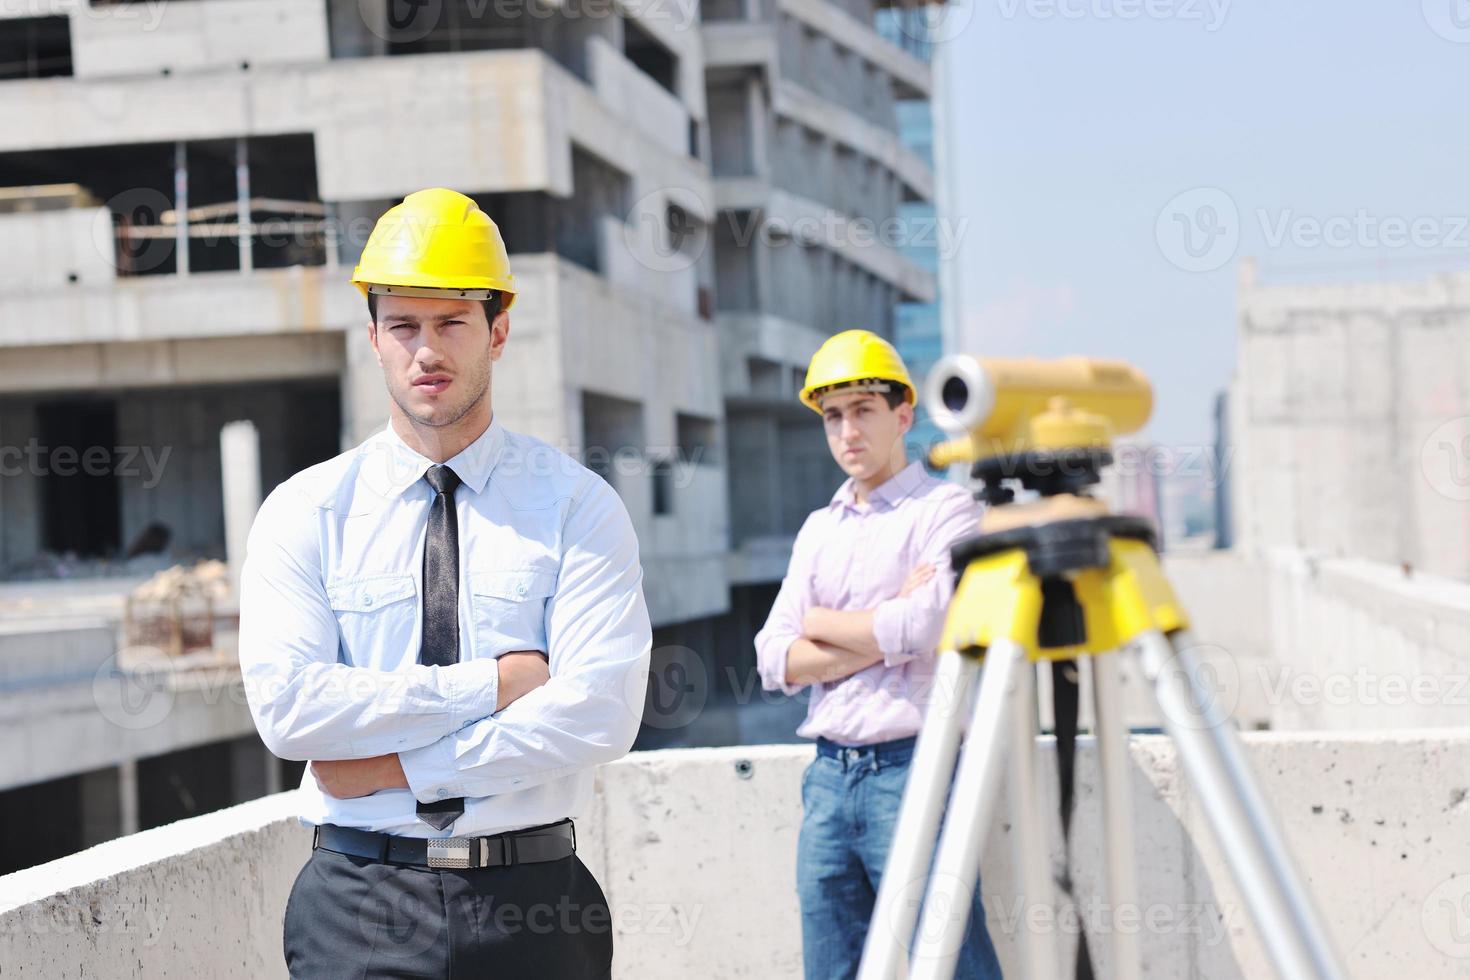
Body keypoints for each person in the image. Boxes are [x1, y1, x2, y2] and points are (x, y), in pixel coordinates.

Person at [238, 188, 651, 979]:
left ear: (498, 331)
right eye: (403, 326)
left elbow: (599, 713)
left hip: (535, 906)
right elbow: (291, 712)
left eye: (451, 323)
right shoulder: (307, 511)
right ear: (374, 338)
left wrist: (397, 768)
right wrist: (492, 685)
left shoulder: (574, 506)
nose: (426, 351)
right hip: (359, 903)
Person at [754, 329, 1003, 979]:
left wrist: (824, 627)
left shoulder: (947, 511)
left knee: (951, 961)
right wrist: (876, 630)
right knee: (832, 967)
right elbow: (774, 657)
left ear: (904, 415)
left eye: (863, 410)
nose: (848, 432)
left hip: (913, 767)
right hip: (829, 779)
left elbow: (930, 623)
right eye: (833, 416)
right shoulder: (819, 529)